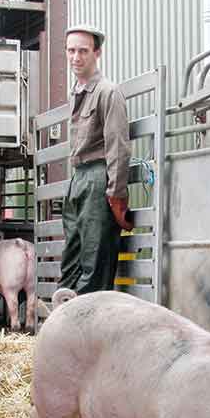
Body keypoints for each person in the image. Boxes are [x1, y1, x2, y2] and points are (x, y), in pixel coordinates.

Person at [58, 23, 133, 294]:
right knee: (71, 257)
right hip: (77, 177)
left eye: (83, 51)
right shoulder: (75, 93)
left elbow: (118, 147)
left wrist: (115, 196)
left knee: (95, 259)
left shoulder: (107, 92)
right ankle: (63, 321)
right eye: (71, 51)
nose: (76, 57)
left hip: (98, 178)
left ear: (97, 53)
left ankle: (88, 326)